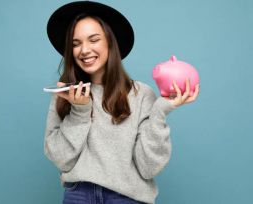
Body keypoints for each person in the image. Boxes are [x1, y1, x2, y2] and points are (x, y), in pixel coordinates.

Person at [44, 1, 199, 204]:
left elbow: (148, 168)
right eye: (76, 43)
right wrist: (80, 111)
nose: (84, 50)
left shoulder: (141, 94)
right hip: (78, 195)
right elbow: (60, 158)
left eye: (94, 40)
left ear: (110, 42)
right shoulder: (65, 95)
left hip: (128, 198)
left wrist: (159, 112)